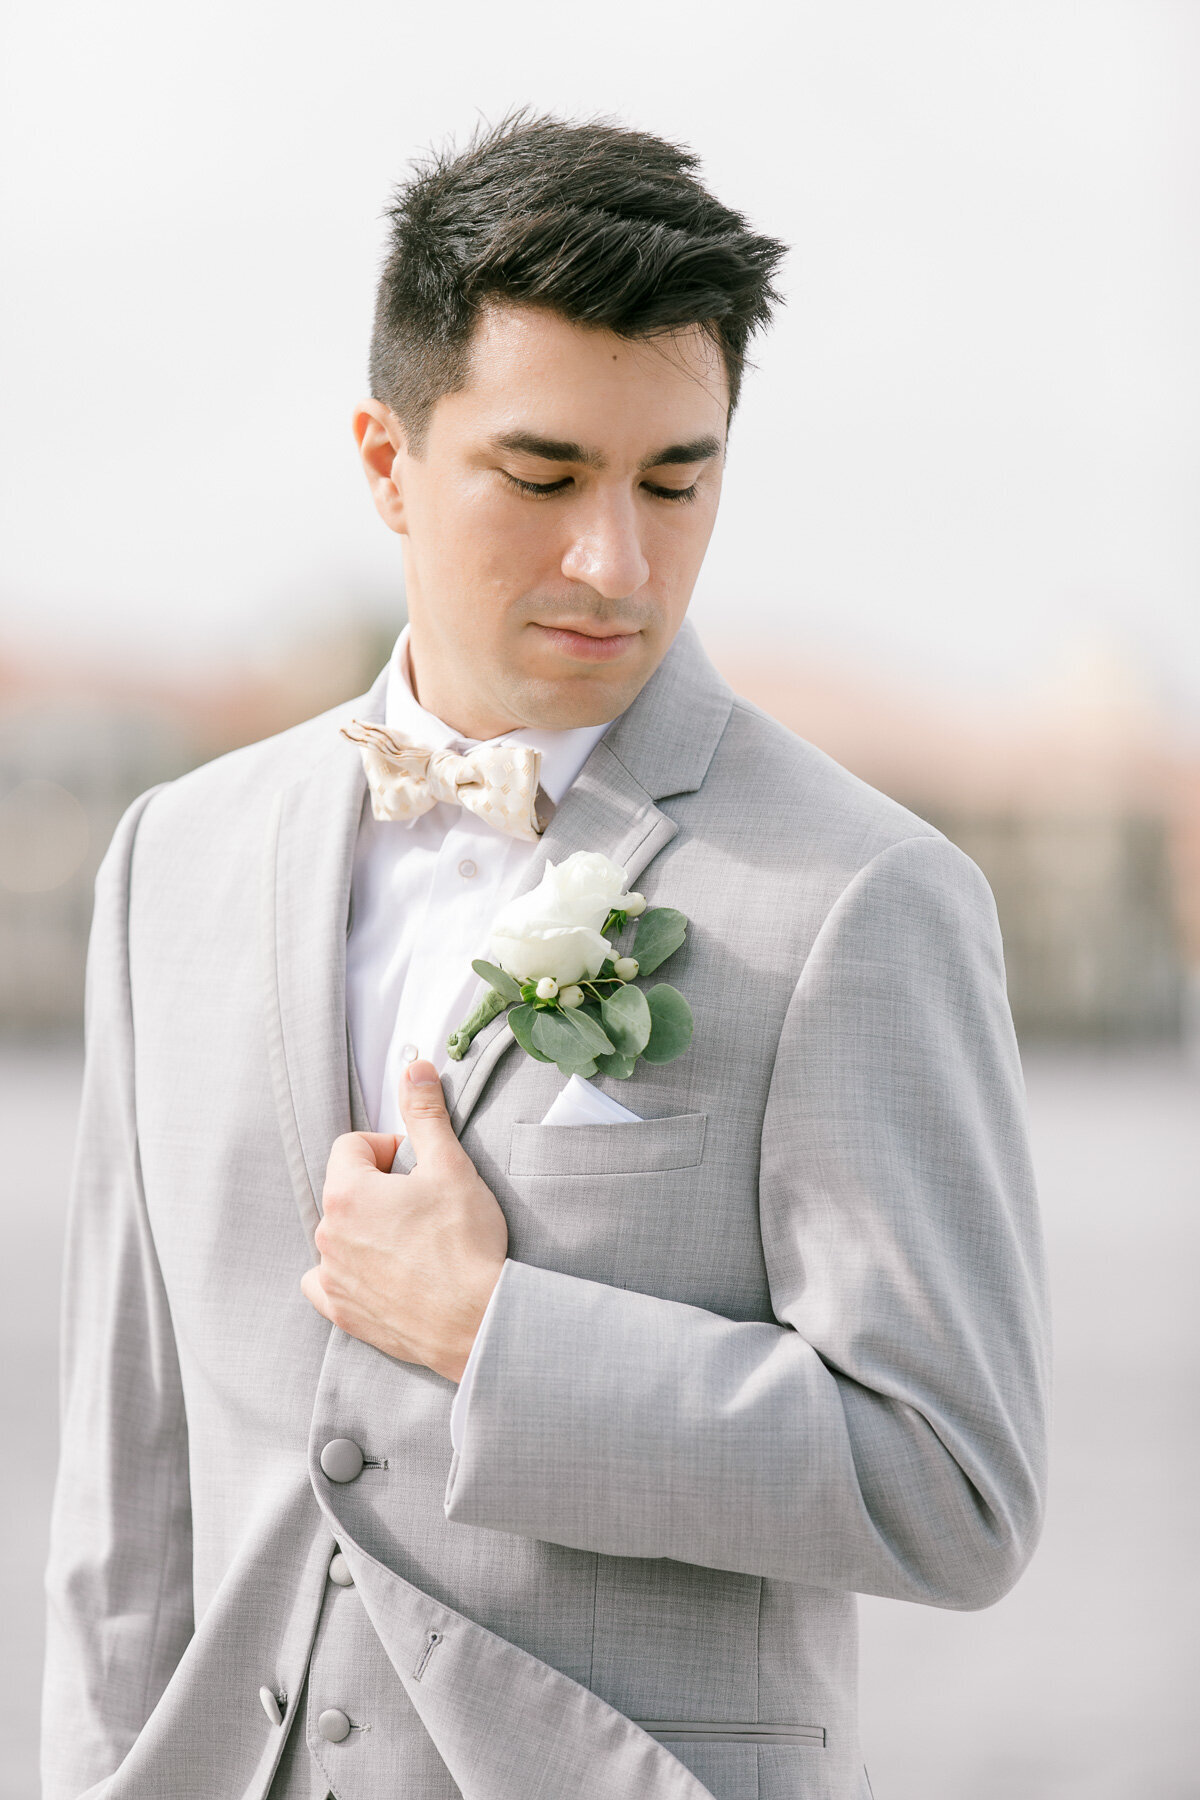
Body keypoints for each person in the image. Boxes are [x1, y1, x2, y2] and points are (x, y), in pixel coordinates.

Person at [41, 113, 1049, 1800]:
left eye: (677, 480)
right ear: (386, 461)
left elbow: (955, 1487)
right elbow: (124, 1491)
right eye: (543, 475)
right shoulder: (173, 863)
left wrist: (494, 1333)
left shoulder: (867, 897)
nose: (618, 564)